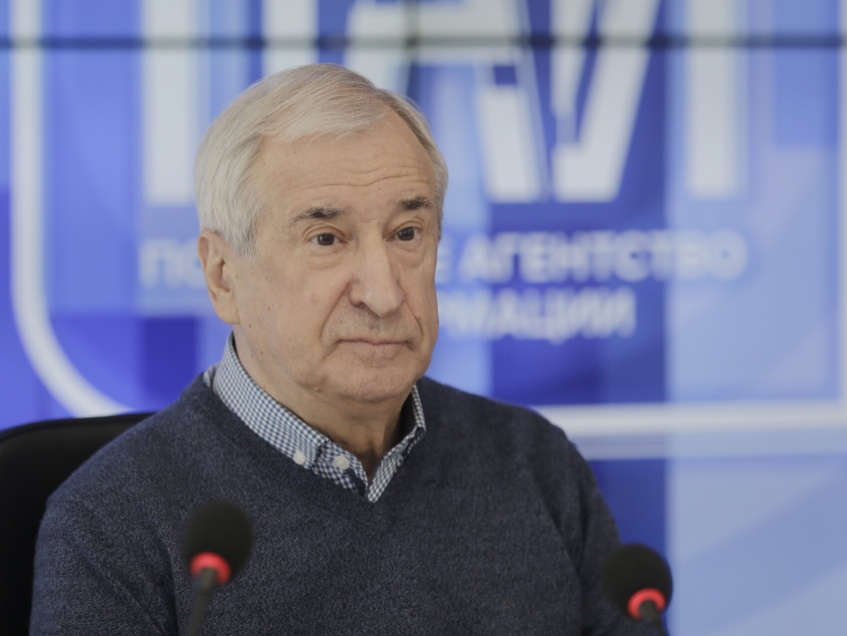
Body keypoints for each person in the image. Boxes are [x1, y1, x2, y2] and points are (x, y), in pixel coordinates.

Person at [30, 64, 648, 635]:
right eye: (326, 238)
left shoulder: (534, 465)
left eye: (407, 233)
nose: (383, 294)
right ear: (223, 276)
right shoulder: (110, 523)